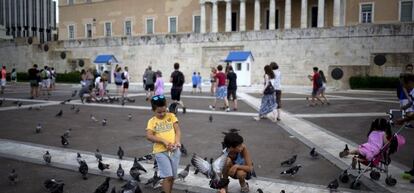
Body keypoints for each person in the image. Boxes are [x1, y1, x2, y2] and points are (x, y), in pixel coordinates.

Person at [146, 95, 182, 193]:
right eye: (159, 112)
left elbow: (177, 131)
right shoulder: (152, 121)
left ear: (166, 107)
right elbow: (149, 136)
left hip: (174, 150)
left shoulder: (171, 116)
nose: (162, 114)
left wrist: (177, 142)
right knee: (168, 176)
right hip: (160, 152)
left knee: (173, 177)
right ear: (153, 110)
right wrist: (163, 141)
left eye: (164, 111)